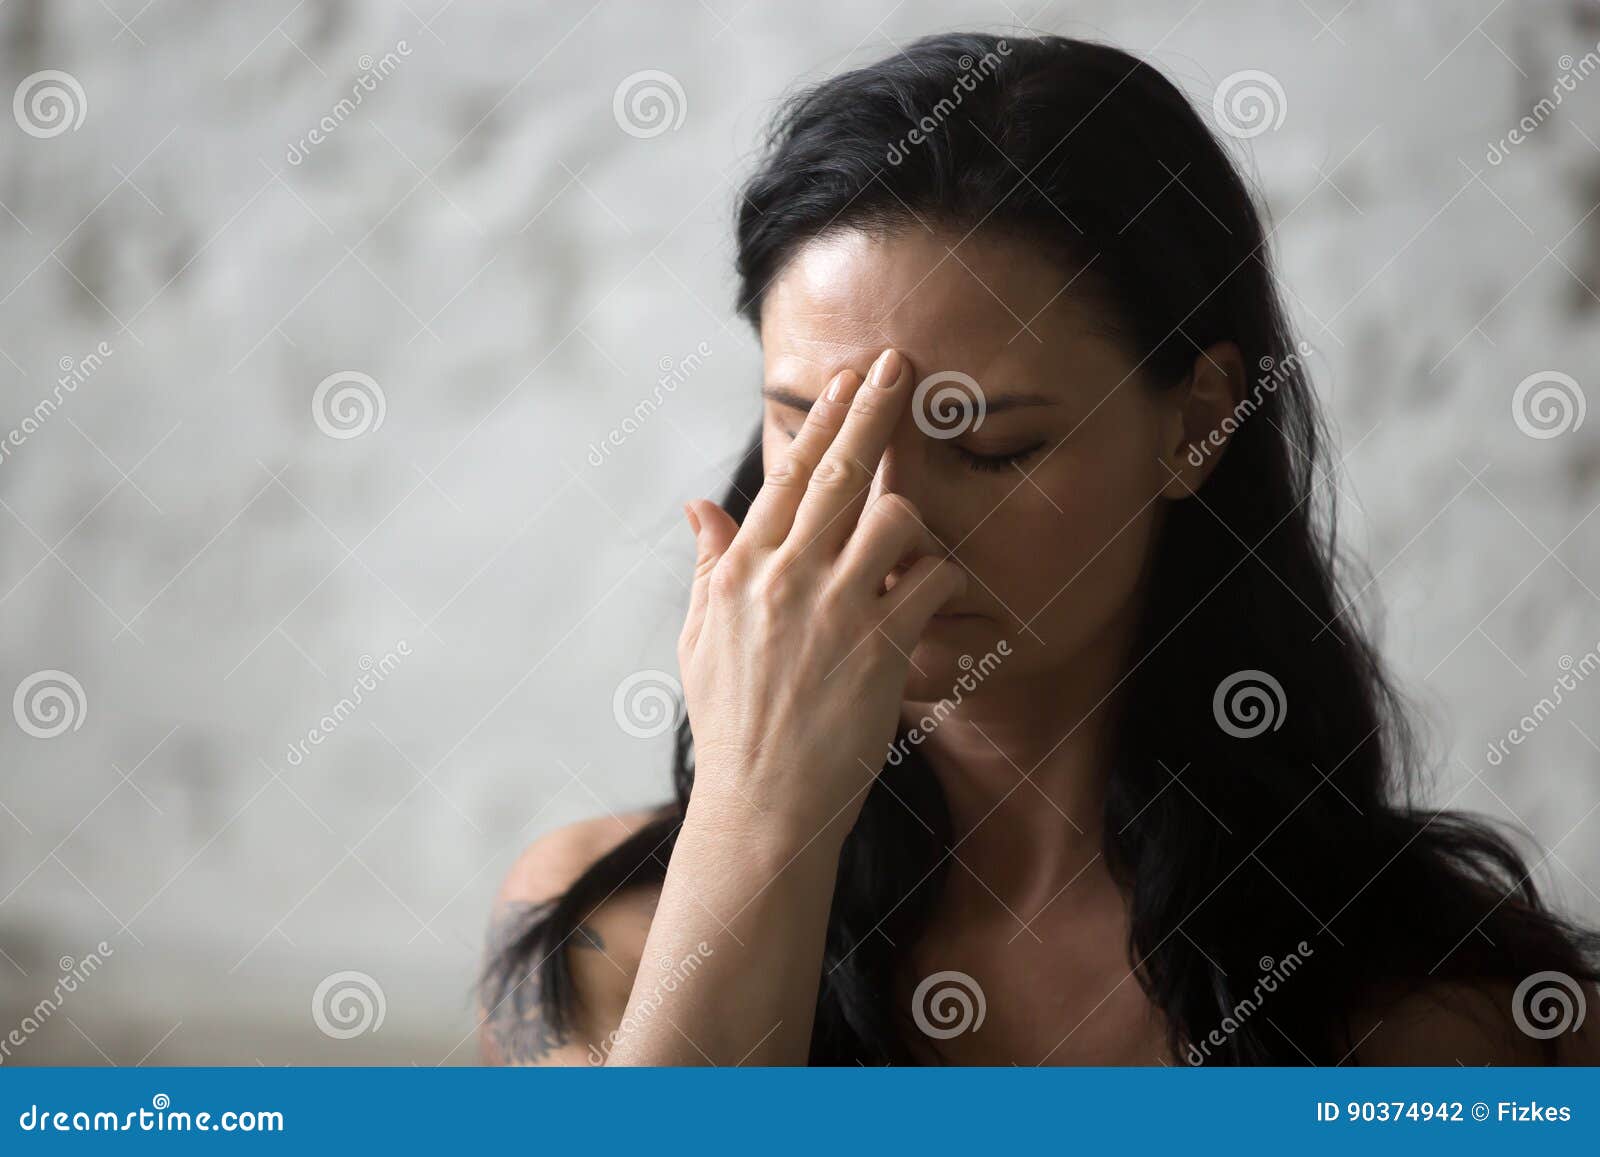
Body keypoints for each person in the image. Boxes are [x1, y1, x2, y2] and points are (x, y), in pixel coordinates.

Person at [478, 32, 1600, 1065]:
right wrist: (758, 809)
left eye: (988, 445)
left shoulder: (1433, 1009)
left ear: (1195, 418)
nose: (886, 519)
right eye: (808, 428)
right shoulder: (600, 936)